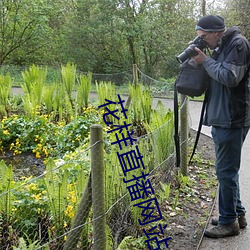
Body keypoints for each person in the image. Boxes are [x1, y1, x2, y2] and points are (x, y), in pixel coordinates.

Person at [192, 15, 250, 238]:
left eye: (204, 37)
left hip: (232, 118)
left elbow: (229, 77)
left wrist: (205, 61)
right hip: (222, 117)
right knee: (227, 171)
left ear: (216, 32)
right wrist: (202, 60)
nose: (203, 41)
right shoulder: (221, 46)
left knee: (225, 171)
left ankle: (228, 223)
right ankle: (237, 214)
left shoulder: (238, 44)